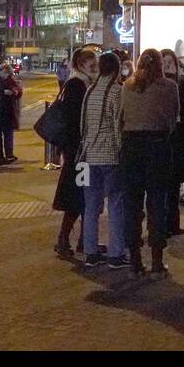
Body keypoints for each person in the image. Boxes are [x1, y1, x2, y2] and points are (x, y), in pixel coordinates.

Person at [119, 49, 177, 277]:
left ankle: (134, 259)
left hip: (131, 146)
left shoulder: (128, 85)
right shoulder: (169, 87)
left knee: (132, 205)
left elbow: (121, 118)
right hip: (157, 145)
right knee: (157, 203)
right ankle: (157, 260)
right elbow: (173, 118)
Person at [80, 51, 128, 269]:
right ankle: (116, 254)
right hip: (110, 156)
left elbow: (83, 126)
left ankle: (91, 252)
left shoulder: (90, 90)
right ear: (117, 69)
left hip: (89, 156)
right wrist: (121, 152)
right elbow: (118, 126)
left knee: (91, 206)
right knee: (116, 204)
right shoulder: (116, 91)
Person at [53, 48, 97, 257]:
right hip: (79, 153)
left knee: (85, 196)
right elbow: (75, 121)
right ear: (81, 65)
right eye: (92, 65)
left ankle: (83, 240)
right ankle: (65, 240)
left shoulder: (83, 83)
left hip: (82, 151)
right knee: (79, 195)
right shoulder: (77, 85)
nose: (95, 69)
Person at [161, 48, 184, 233]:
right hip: (165, 138)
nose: (167, 66)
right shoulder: (159, 85)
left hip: (179, 138)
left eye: (170, 62)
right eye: (164, 62)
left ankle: (172, 223)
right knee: (165, 185)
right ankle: (165, 224)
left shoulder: (182, 84)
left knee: (174, 184)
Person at [0, 63, 22, 164]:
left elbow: (18, 91)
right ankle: (5, 154)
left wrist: (14, 91)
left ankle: (8, 154)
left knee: (7, 133)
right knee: (4, 134)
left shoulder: (9, 79)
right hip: (3, 110)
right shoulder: (0, 79)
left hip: (7, 110)